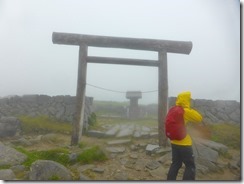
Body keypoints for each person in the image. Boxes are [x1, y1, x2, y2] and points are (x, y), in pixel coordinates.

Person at [166, 91, 203, 180]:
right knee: (190, 166)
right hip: (184, 143)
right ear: (186, 100)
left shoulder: (173, 109)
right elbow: (199, 118)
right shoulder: (185, 111)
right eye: (189, 100)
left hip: (174, 141)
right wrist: (189, 108)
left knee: (176, 164)